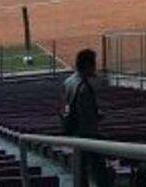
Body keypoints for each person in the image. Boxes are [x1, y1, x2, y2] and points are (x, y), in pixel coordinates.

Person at [62, 49, 111, 187]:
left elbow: (68, 106)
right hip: (88, 135)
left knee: (80, 171)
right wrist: (98, 116)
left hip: (75, 132)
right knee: (99, 171)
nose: (95, 66)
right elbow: (88, 116)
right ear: (87, 65)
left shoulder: (68, 82)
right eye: (93, 63)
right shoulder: (84, 87)